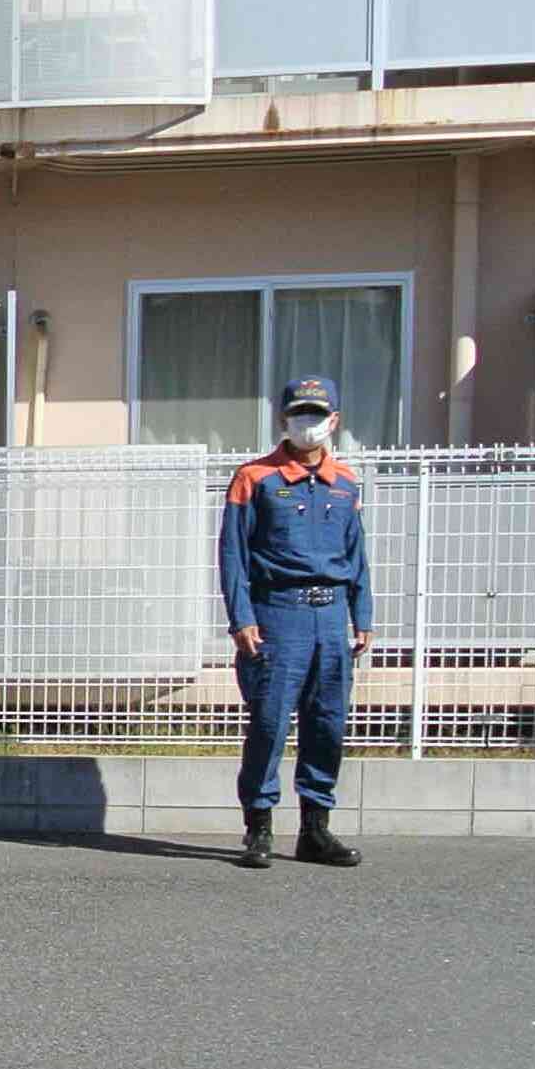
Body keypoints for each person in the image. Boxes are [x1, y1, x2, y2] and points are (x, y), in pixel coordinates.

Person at [220, 373, 371, 870]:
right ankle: (258, 827)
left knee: (327, 723)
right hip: (276, 614)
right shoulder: (254, 477)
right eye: (298, 414)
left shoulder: (346, 482)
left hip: (330, 615)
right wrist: (241, 617)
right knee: (268, 722)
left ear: (335, 421)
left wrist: (361, 614)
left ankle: (315, 829)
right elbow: (233, 555)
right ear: (282, 419)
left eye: (317, 415)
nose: (308, 424)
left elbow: (357, 553)